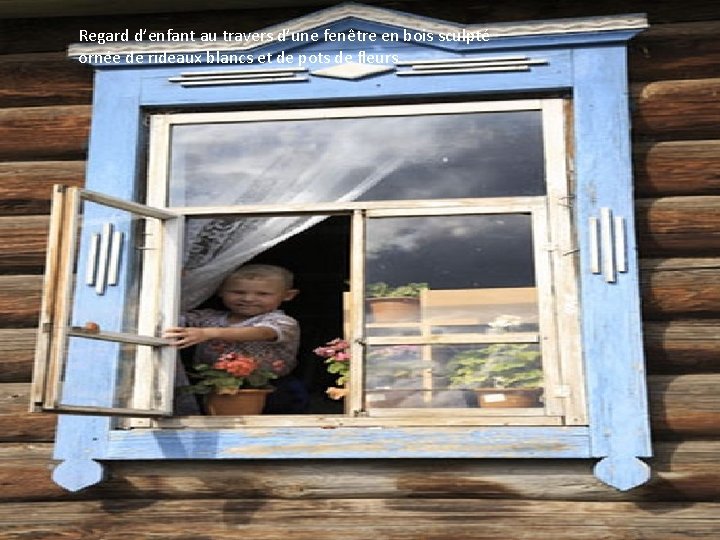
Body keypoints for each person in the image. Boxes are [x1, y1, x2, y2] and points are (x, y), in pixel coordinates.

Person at [164, 264, 308, 414]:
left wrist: (209, 333)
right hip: (212, 384)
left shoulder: (282, 321)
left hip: (270, 388)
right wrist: (178, 281)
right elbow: (172, 316)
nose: (248, 298)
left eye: (263, 294)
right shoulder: (206, 318)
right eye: (238, 292)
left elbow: (262, 332)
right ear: (220, 291)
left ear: (288, 295)